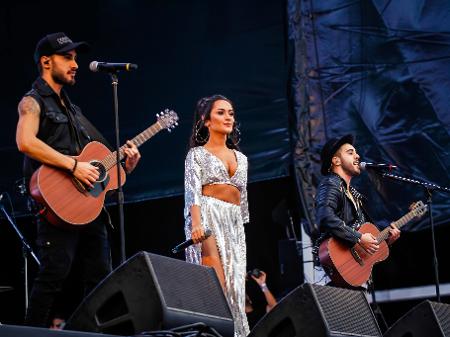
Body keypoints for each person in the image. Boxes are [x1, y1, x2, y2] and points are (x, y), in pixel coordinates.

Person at [16, 32, 141, 328]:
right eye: (67, 58)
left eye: (75, 58)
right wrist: (73, 165)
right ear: (46, 62)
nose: (75, 64)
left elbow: (101, 166)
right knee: (53, 275)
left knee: (101, 277)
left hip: (87, 207)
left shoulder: (75, 111)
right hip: (57, 204)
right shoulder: (32, 102)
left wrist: (128, 164)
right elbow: (25, 142)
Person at [184, 94, 250, 337]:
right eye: (221, 112)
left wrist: (240, 242)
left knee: (236, 291)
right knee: (216, 286)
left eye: (231, 113)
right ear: (206, 121)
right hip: (207, 218)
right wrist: (196, 225)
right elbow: (192, 194)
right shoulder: (197, 155)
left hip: (233, 224)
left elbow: (242, 204)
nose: (228, 117)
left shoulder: (242, 159)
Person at [314, 134, 400, 288]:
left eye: (356, 152)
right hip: (336, 268)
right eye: (350, 152)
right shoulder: (331, 184)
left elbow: (360, 234)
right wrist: (359, 237)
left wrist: (386, 240)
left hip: (355, 272)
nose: (358, 155)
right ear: (336, 160)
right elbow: (325, 217)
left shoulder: (354, 194)